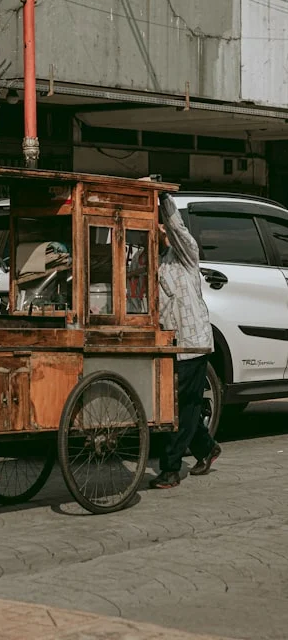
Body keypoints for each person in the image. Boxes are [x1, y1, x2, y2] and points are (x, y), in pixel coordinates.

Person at [149, 191, 221, 489]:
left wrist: (164, 201)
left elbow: (177, 230)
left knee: (182, 405)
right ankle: (207, 447)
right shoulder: (155, 262)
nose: (160, 231)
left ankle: (170, 469)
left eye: (161, 227)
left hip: (192, 341)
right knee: (183, 403)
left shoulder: (186, 255)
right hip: (170, 343)